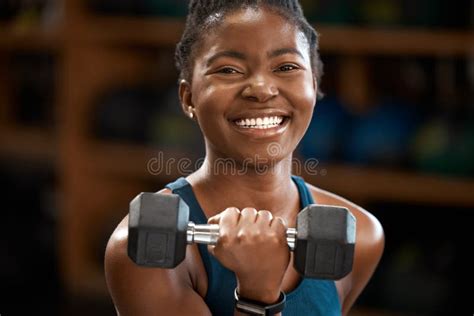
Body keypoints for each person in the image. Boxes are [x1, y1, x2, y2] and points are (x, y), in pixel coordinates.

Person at [104, 1, 385, 315]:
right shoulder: (141, 251)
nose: (261, 89)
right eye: (228, 70)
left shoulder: (361, 235)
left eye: (286, 67)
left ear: (313, 87)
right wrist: (257, 294)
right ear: (188, 98)